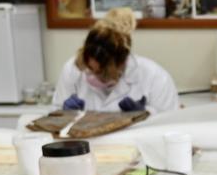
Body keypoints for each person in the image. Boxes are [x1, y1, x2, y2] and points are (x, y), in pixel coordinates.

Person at [51, 8, 179, 113]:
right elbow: (55, 114)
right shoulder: (72, 69)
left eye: (101, 72)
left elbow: (170, 124)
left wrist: (145, 115)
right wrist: (64, 113)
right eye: (90, 69)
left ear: (122, 63)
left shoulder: (155, 77)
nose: (93, 76)